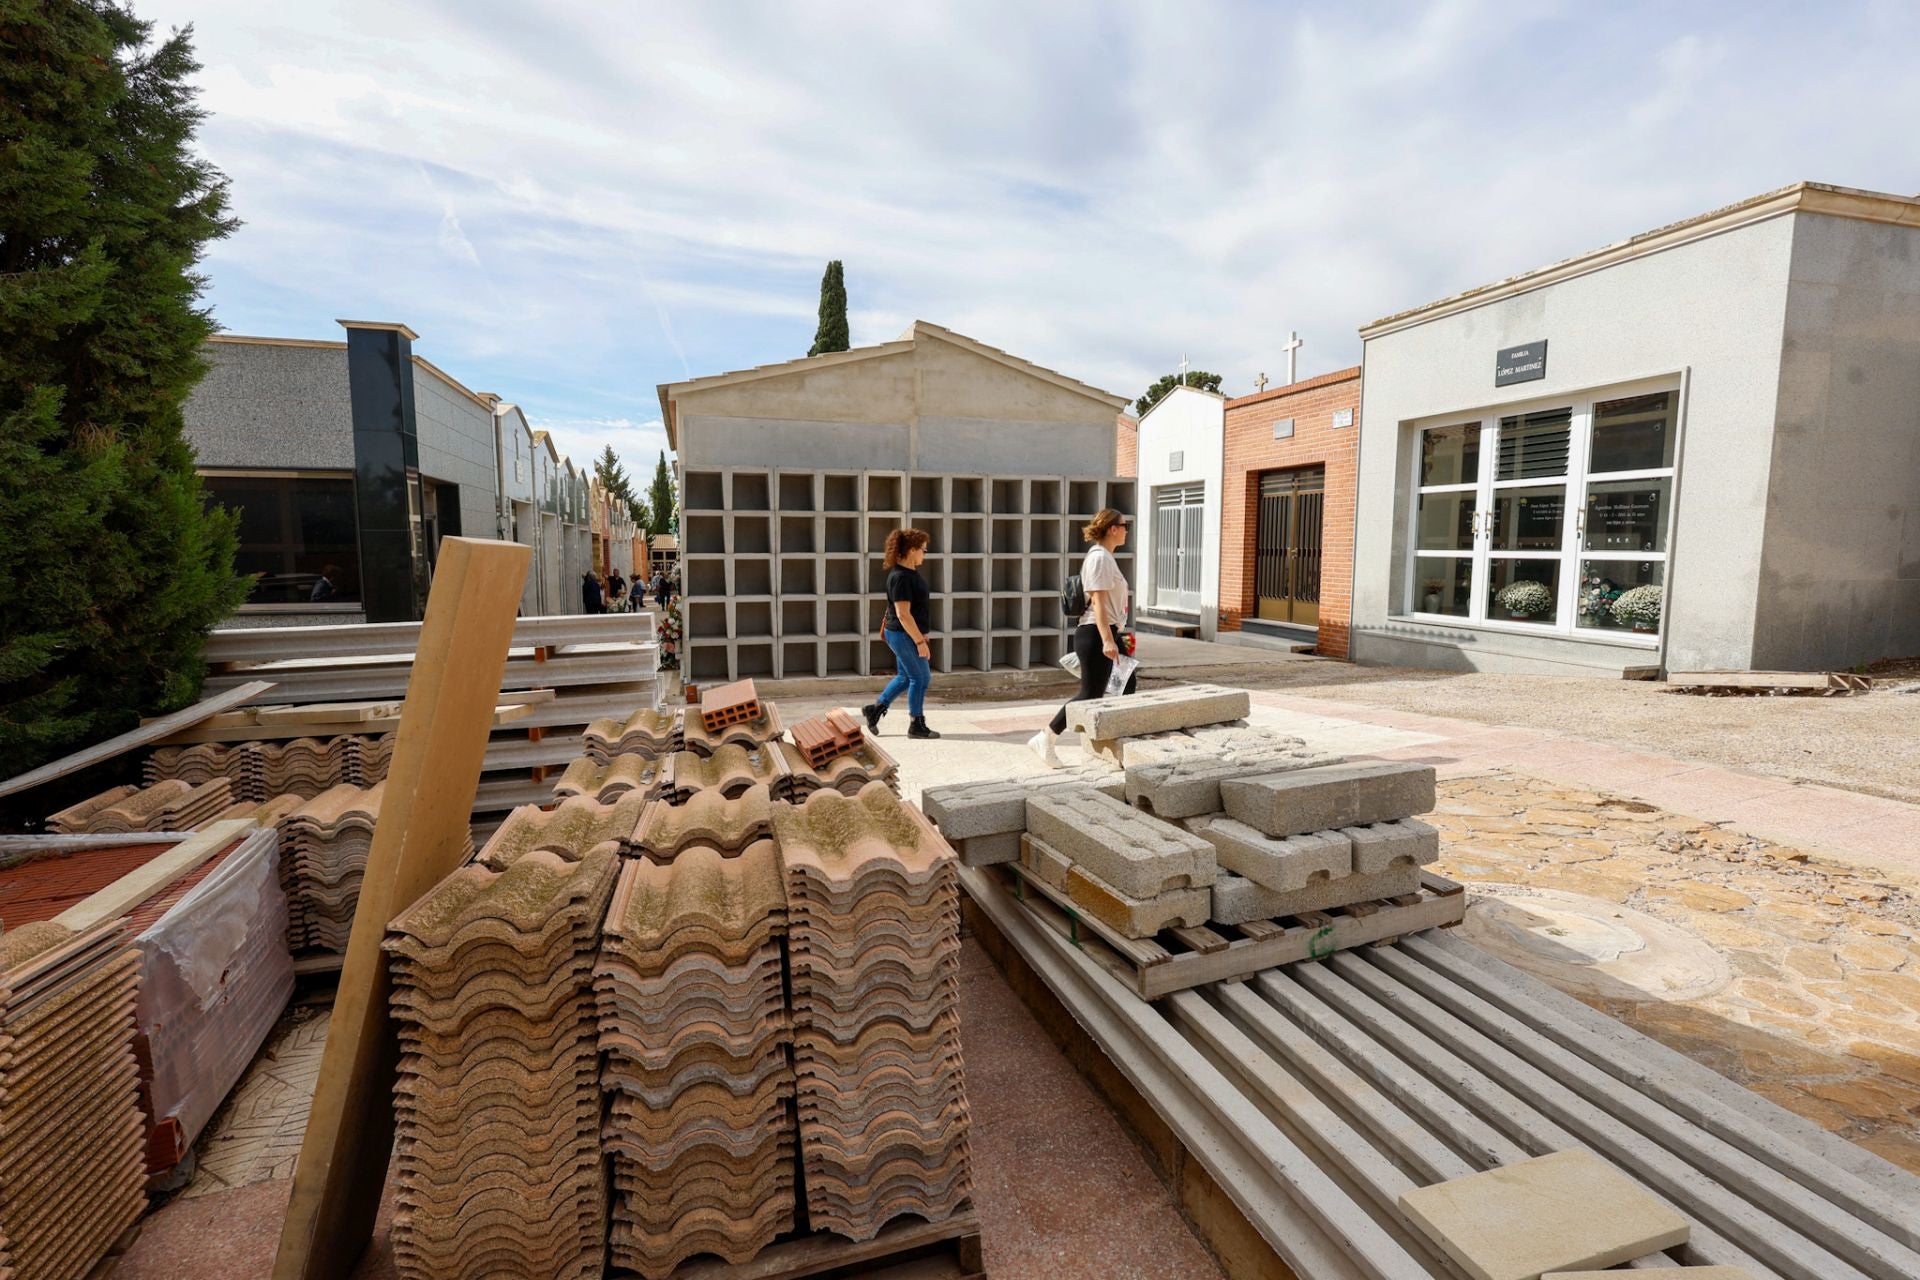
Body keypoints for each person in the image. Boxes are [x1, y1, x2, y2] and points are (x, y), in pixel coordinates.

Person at [1031, 508, 1134, 766]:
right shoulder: (1099, 558)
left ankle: (1117, 737)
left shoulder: (1106, 557)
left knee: (1127, 683)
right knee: (1090, 693)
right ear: (1113, 529)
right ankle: (1047, 737)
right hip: (1096, 633)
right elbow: (1098, 602)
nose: (1127, 531)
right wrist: (1108, 640)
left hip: (1106, 632)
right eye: (1125, 526)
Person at [861, 528, 940, 740]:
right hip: (902, 634)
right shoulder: (901, 577)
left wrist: (922, 634)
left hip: (906, 634)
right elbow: (903, 614)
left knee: (906, 677)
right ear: (912, 550)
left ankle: (875, 710)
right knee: (920, 678)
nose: (925, 554)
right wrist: (919, 642)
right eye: (923, 550)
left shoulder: (909, 573)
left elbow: (915, 610)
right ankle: (916, 725)